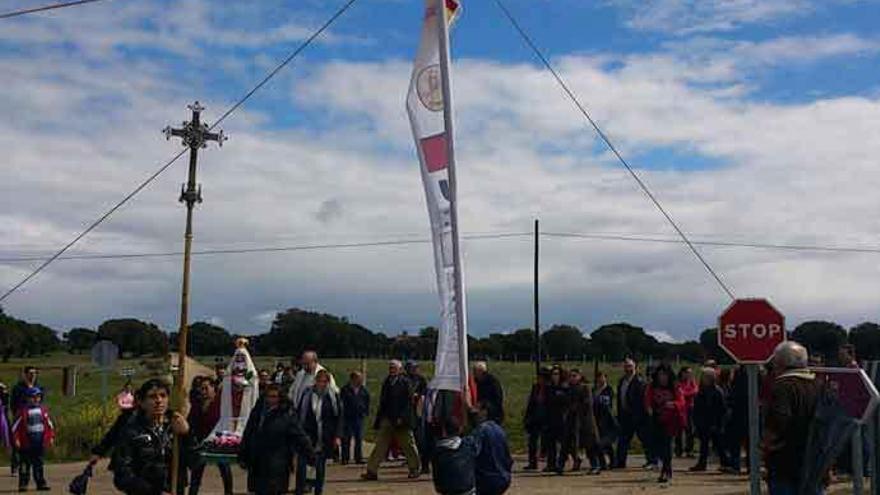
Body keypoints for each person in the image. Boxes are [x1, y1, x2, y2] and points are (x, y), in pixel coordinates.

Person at [111, 379, 192, 495]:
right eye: (153, 397)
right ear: (142, 402)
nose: (159, 400)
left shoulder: (175, 428)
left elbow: (195, 462)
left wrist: (187, 434)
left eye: (163, 396)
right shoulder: (131, 431)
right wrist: (154, 493)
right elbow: (122, 475)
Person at [764, 341, 822, 495]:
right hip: (816, 462)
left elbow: (779, 421)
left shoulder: (783, 387)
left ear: (781, 362)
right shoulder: (818, 385)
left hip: (786, 465)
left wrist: (766, 444)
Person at [239, 383, 315, 495]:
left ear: (280, 398)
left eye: (274, 397)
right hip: (258, 463)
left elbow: (299, 436)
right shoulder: (258, 411)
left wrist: (310, 454)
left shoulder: (287, 415)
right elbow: (248, 433)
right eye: (268, 396)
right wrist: (243, 453)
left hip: (278, 465)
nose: (270, 399)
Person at [362, 360, 421, 480]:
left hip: (402, 420)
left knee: (408, 444)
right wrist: (380, 418)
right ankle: (371, 471)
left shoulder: (405, 382)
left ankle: (414, 468)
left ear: (400, 370)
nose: (391, 369)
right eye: (390, 367)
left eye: (394, 367)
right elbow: (383, 402)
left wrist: (402, 418)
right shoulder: (387, 382)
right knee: (380, 445)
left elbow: (408, 402)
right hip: (387, 418)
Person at [295, 370, 343, 495]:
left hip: (325, 435)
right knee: (302, 464)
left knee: (320, 465)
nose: (321, 384)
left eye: (324, 382)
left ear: (328, 382)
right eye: (319, 381)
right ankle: (300, 489)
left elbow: (339, 417)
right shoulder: (307, 394)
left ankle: (318, 490)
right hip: (308, 433)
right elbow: (300, 412)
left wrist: (337, 436)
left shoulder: (333, 396)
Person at [188, 378, 233, 495]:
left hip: (219, 442)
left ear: (213, 388)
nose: (204, 391)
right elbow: (191, 422)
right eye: (202, 389)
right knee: (196, 473)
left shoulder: (221, 404)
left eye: (206, 388)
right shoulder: (197, 404)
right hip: (201, 443)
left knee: (225, 470)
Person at [644, 363, 684, 483]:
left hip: (671, 420)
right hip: (656, 419)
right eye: (661, 374)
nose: (662, 377)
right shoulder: (652, 386)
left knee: (667, 446)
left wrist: (673, 404)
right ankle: (667, 468)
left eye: (665, 375)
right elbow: (647, 399)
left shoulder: (675, 387)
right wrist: (649, 408)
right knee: (658, 446)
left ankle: (665, 471)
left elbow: (681, 402)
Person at [12, 387, 54, 492]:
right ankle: (23, 484)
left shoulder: (43, 411)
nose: (35, 399)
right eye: (32, 397)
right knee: (25, 465)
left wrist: (50, 437)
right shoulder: (23, 412)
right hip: (26, 443)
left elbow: (49, 426)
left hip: (39, 442)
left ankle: (41, 483)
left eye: (38, 397)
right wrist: (16, 439)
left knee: (39, 464)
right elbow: (15, 428)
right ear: (27, 398)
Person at [615, 359, 654, 469]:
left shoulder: (640, 381)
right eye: (626, 366)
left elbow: (642, 400)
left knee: (645, 439)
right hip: (625, 415)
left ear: (635, 367)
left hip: (639, 416)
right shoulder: (621, 381)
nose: (628, 368)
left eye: (630, 366)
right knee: (623, 440)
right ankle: (620, 462)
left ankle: (652, 461)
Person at [89, 382, 138, 466]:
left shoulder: (158, 419)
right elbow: (112, 434)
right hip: (126, 462)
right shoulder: (126, 418)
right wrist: (98, 452)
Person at [689, 367, 728, 472]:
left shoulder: (717, 391)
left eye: (706, 377)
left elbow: (722, 409)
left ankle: (726, 463)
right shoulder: (700, 391)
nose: (704, 379)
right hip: (703, 422)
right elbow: (697, 408)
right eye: (703, 377)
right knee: (704, 445)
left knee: (719, 444)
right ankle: (702, 464)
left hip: (714, 422)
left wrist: (718, 423)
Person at [471, 400, 513, 495]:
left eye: (476, 413)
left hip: (486, 480)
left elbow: (473, 454)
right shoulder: (500, 430)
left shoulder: (480, 431)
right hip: (503, 478)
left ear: (485, 412)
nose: (474, 416)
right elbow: (508, 458)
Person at [430, 415, 476, 495]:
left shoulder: (437, 452)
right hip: (469, 490)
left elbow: (438, 483)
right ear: (459, 430)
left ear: (444, 432)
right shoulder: (468, 445)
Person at [723, 366, 749, 474]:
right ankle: (738, 465)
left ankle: (739, 465)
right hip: (740, 411)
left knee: (746, 442)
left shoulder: (751, 373)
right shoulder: (739, 372)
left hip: (744, 411)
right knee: (738, 441)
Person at [340, 371, 370, 465]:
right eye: (358, 378)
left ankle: (358, 457)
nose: (360, 380)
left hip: (359, 417)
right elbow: (341, 402)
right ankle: (345, 458)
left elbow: (367, 401)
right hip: (347, 417)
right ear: (353, 379)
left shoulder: (363, 390)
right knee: (346, 438)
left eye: (361, 378)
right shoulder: (345, 389)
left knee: (359, 438)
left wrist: (365, 412)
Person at [543, 365, 569, 474]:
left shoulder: (565, 388)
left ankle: (561, 464)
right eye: (553, 374)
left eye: (557, 374)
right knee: (550, 443)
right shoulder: (549, 388)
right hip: (550, 418)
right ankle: (551, 464)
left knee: (564, 443)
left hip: (562, 418)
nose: (555, 376)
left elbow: (567, 402)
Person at [523, 368, 549, 470]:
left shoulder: (549, 388)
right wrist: (527, 417)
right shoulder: (535, 387)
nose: (540, 379)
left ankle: (549, 461)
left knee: (546, 441)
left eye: (542, 378)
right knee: (532, 441)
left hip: (546, 417)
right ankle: (532, 462)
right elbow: (531, 403)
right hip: (535, 417)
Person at [406, 361, 430, 473]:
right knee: (410, 440)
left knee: (421, 439)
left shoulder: (421, 380)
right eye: (411, 368)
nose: (414, 370)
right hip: (407, 412)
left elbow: (425, 392)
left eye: (415, 368)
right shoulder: (404, 379)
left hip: (419, 411)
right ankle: (414, 462)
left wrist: (418, 395)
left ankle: (424, 464)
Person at [592, 371, 617, 471]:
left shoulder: (609, 390)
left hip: (608, 420)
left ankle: (609, 462)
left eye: (602, 377)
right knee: (602, 443)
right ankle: (606, 463)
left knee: (603, 443)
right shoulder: (594, 390)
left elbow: (606, 403)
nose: (600, 379)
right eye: (598, 377)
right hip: (597, 420)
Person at [675, 367, 698, 458]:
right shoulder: (678, 382)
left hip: (690, 408)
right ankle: (678, 450)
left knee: (690, 429)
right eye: (687, 372)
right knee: (679, 430)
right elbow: (680, 393)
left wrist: (686, 394)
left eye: (690, 373)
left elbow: (696, 390)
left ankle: (689, 450)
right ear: (682, 373)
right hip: (680, 408)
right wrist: (688, 393)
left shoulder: (692, 381)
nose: (689, 374)